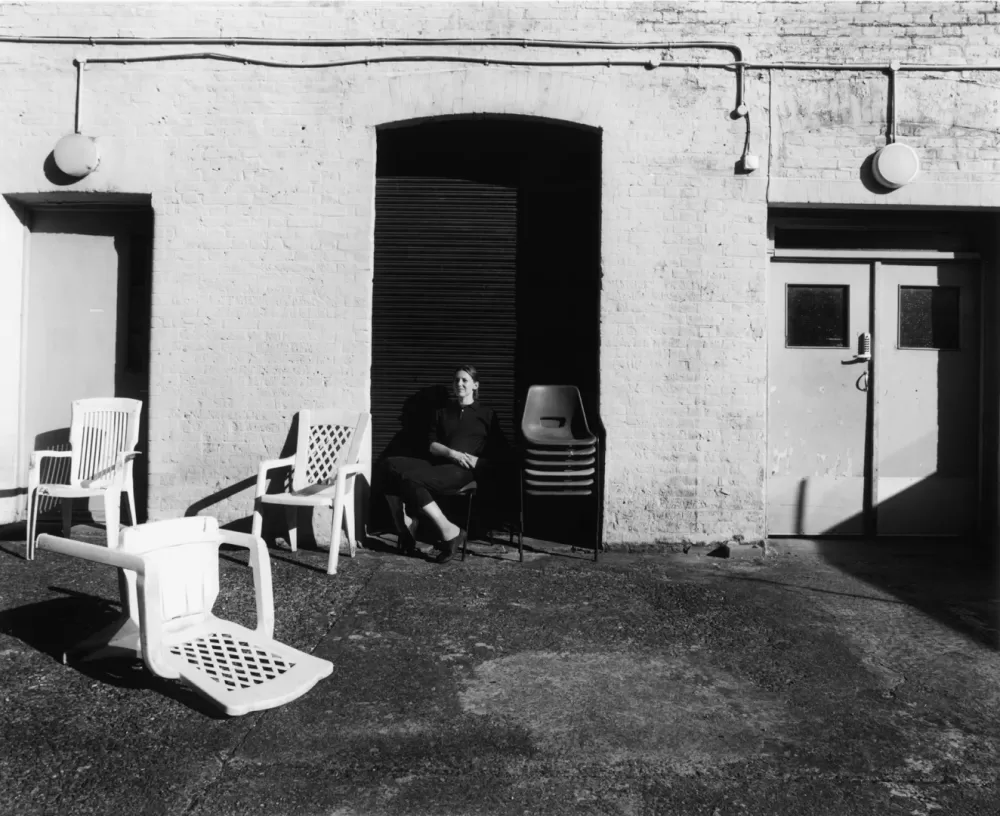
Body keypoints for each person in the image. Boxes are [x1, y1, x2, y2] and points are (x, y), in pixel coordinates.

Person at [379, 365, 507, 564]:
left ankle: (446, 530)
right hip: (438, 464)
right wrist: (452, 453)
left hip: (463, 472)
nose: (459, 384)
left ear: (475, 385)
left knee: (407, 479)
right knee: (389, 465)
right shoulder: (443, 411)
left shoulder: (487, 414)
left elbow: (500, 451)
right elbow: (432, 445)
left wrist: (480, 462)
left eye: (465, 380)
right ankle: (405, 526)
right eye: (456, 380)